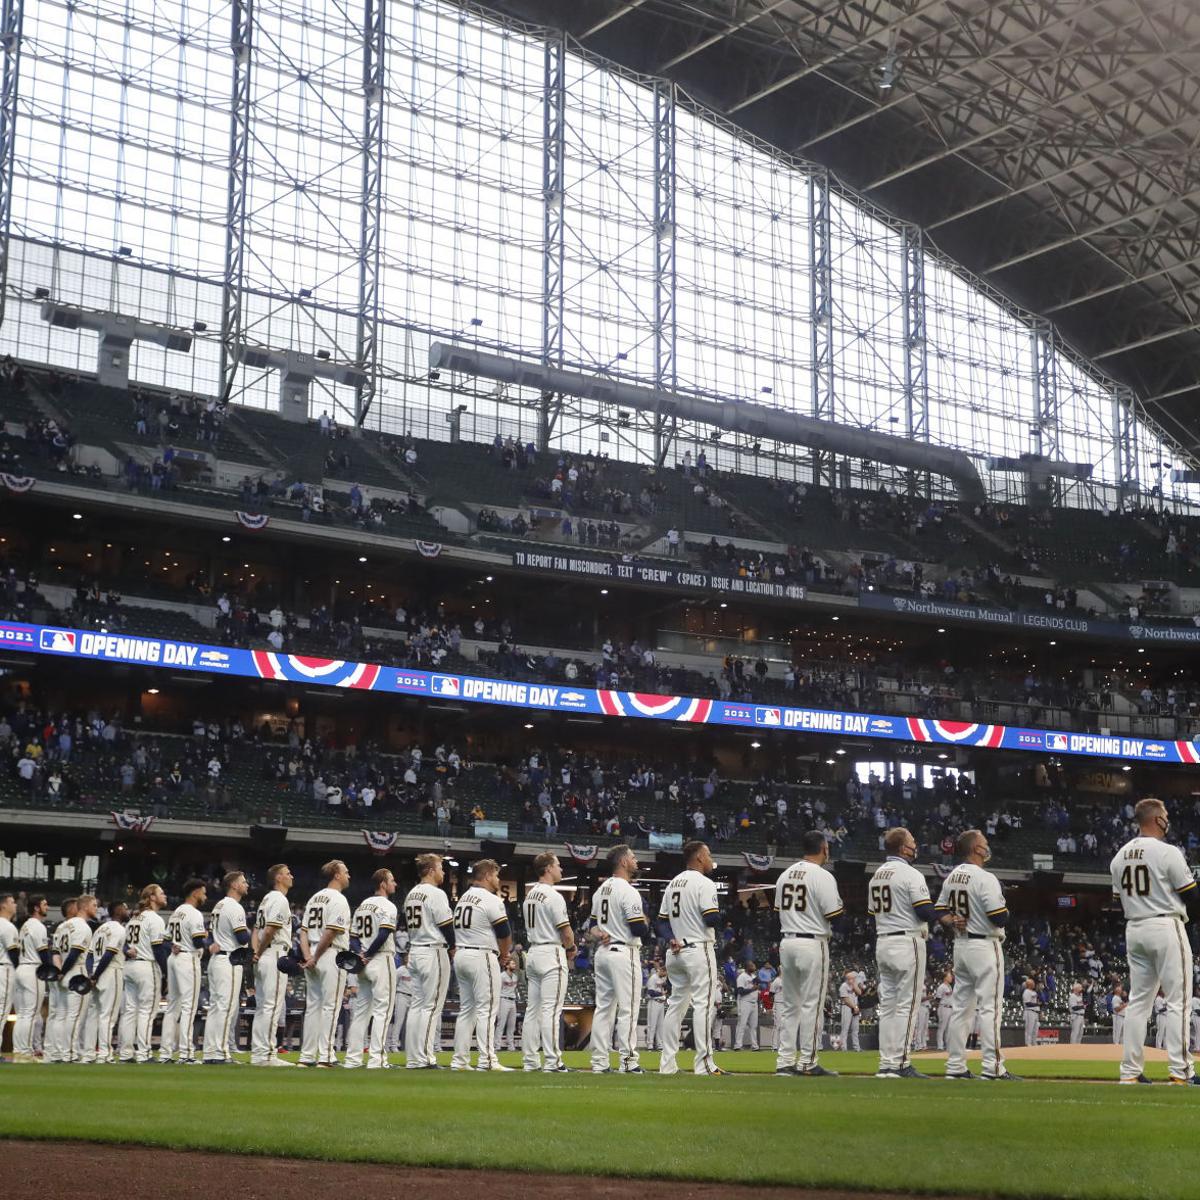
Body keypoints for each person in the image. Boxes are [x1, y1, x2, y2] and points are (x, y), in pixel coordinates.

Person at [1111, 797, 1198, 1085]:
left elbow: (1115, 901)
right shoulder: (1167, 851)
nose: (1167, 819)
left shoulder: (1119, 856)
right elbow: (1191, 896)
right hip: (1165, 924)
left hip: (1134, 928)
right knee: (1178, 1001)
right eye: (1165, 815)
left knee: (1138, 1002)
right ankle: (1180, 1070)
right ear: (1155, 818)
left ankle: (1130, 1072)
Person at [935, 829, 1020, 1081]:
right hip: (984, 945)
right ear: (975, 849)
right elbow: (999, 916)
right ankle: (993, 1068)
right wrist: (1004, 901)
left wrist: (953, 921)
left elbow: (939, 909)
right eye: (983, 844)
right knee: (989, 1009)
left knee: (961, 1008)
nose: (987, 847)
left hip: (961, 946)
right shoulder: (985, 877)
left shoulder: (952, 877)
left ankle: (955, 1067)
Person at [868, 826, 945, 1078]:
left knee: (888, 1006)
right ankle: (900, 1063)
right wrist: (941, 913)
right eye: (912, 841)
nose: (915, 845)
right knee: (906, 1006)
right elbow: (923, 911)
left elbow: (873, 913)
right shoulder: (910, 873)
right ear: (903, 848)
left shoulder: (877, 874)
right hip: (906, 940)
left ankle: (886, 1062)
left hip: (883, 941)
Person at [774, 830, 844, 1077]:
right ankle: (808, 1062)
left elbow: (778, 909)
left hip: (788, 941)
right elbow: (834, 914)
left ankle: (784, 1062)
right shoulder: (822, 875)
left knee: (790, 1005)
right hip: (812, 942)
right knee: (811, 1005)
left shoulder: (784, 875)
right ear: (823, 847)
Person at [658, 840, 727, 1077]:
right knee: (703, 1005)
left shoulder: (673, 883)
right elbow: (711, 919)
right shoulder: (704, 883)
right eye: (707, 854)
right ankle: (704, 1064)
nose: (710, 859)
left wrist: (671, 938)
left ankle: (667, 1065)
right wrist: (724, 916)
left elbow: (662, 921)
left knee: (676, 1006)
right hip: (698, 948)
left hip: (675, 951)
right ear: (698, 857)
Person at [588, 843, 651, 1074]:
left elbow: (593, 928)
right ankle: (628, 1061)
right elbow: (639, 930)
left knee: (603, 1009)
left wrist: (600, 933)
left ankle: (599, 1062)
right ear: (623, 862)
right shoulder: (628, 890)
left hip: (603, 953)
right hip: (624, 952)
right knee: (629, 1009)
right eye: (633, 857)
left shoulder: (601, 889)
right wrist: (646, 918)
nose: (636, 861)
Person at [449, 858, 513, 1072]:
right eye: (495, 875)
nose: (497, 879)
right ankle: (487, 1060)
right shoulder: (489, 898)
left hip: (461, 954)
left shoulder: (464, 897)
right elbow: (504, 933)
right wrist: (505, 955)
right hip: (481, 955)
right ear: (486, 876)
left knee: (467, 1010)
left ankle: (460, 1060)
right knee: (487, 1009)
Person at [521, 851, 576, 1073]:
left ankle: (530, 1061)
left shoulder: (529, 895)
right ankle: (553, 1062)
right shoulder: (553, 896)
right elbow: (566, 932)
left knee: (532, 1011)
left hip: (533, 952)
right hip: (551, 952)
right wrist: (571, 948)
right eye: (558, 865)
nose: (560, 869)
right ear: (548, 868)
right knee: (551, 1011)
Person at [403, 853, 455, 1069]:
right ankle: (425, 1057)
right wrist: (453, 946)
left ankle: (413, 1058)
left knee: (416, 1006)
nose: (443, 872)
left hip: (415, 950)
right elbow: (446, 925)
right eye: (441, 868)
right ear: (431, 870)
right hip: (433, 951)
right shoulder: (435, 893)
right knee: (431, 1007)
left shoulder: (412, 894)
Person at [298, 859, 352, 1068]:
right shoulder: (338, 899)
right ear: (336, 875)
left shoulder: (314, 899)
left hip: (312, 952)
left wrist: (308, 956)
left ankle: (307, 1056)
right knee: (330, 1006)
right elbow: (330, 932)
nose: (349, 876)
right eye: (345, 872)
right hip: (329, 954)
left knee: (313, 1007)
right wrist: (316, 956)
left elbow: (302, 931)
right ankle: (326, 1056)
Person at [344, 868, 399, 1070]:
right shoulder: (388, 906)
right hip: (380, 959)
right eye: (392, 880)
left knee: (360, 1012)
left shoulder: (362, 906)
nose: (395, 883)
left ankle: (353, 1059)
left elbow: (353, 937)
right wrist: (368, 954)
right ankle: (377, 1059)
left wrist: (361, 954)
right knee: (382, 1011)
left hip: (363, 963)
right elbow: (384, 934)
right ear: (383, 884)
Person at [203, 871, 250, 1064]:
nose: (246, 884)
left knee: (216, 1007)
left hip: (217, 960)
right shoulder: (234, 906)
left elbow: (211, 935)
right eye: (243, 882)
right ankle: (220, 1052)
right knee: (226, 1008)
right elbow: (242, 938)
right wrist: (250, 932)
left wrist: (211, 943)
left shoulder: (219, 905)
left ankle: (210, 1051)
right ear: (233, 885)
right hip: (229, 960)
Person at [250, 863, 295, 1067]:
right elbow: (269, 930)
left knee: (262, 1007)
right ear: (278, 878)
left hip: (264, 955)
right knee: (271, 1006)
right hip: (274, 953)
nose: (291, 876)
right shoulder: (279, 899)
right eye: (287, 873)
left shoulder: (266, 899)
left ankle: (259, 1053)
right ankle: (267, 1055)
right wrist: (259, 952)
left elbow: (256, 930)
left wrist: (255, 952)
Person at [118, 885, 169, 1064]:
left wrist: (126, 950)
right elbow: (158, 949)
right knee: (147, 1011)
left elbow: (123, 945)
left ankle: (125, 1053)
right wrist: (166, 972)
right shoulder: (154, 919)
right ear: (152, 897)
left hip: (130, 967)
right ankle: (144, 1053)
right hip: (146, 966)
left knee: (130, 1011)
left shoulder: (134, 918)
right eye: (161, 893)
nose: (165, 895)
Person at [159, 880, 208, 1064]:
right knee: (189, 1007)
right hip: (188, 958)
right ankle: (186, 1053)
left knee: (172, 1007)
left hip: (174, 958)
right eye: (203, 893)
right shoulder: (194, 913)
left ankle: (165, 1053)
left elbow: (164, 940)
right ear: (195, 893)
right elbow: (197, 942)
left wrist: (173, 945)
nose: (205, 896)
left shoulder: (176, 912)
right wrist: (206, 939)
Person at [47, 895, 94, 1063]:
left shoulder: (62, 926)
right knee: (74, 1016)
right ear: (84, 907)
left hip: (62, 972)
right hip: (76, 972)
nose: (96, 908)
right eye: (94, 905)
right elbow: (74, 953)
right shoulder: (83, 927)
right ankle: (70, 1053)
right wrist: (63, 972)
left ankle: (58, 1053)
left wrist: (59, 971)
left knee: (61, 1015)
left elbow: (54, 952)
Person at [80, 900, 128, 1064]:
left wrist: (91, 974)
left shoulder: (100, 929)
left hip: (96, 971)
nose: (127, 910)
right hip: (110, 972)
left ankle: (88, 1054)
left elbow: (90, 955)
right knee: (108, 1015)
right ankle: (104, 1054)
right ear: (118, 910)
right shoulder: (119, 929)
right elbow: (108, 954)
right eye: (125, 907)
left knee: (93, 1015)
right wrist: (95, 975)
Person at [14, 895, 52, 1061]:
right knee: (30, 1014)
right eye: (44, 904)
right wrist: (51, 971)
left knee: (23, 1014)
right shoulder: (38, 926)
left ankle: (19, 1049)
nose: (47, 906)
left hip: (21, 968)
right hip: (33, 969)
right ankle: (26, 1051)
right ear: (36, 907)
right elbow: (44, 953)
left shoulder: (25, 926)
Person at [388, 953, 414, 1054]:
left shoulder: (415, 970)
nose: (409, 959)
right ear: (405, 959)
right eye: (408, 957)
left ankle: (409, 1046)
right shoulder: (400, 970)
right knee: (399, 1021)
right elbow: (393, 984)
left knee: (411, 1023)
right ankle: (393, 1045)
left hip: (413, 997)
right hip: (401, 995)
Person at [734, 960, 759, 1050]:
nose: (754, 967)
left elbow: (758, 987)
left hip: (754, 1003)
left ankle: (755, 1046)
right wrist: (752, 989)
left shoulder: (754, 976)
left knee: (754, 1026)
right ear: (747, 967)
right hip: (744, 1002)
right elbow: (740, 992)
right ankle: (738, 1045)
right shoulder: (742, 977)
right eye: (752, 965)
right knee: (742, 1024)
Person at [495, 963, 519, 1051]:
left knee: (512, 1025)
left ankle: (511, 1046)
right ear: (507, 966)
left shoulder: (515, 976)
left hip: (513, 1001)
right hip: (503, 999)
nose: (514, 965)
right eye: (512, 964)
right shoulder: (501, 976)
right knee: (501, 1024)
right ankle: (497, 1045)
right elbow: (497, 989)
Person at [645, 962, 667, 1050]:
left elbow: (666, 989)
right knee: (652, 1024)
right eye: (664, 973)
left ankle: (659, 1044)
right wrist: (662, 993)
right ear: (661, 970)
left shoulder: (663, 977)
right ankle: (650, 1044)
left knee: (660, 1025)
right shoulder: (653, 978)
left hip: (661, 1003)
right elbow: (650, 992)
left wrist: (664, 994)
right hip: (653, 1002)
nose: (665, 975)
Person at [838, 970, 861, 1052]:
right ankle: (843, 1048)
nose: (853, 979)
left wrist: (854, 985)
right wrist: (854, 1007)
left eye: (854, 978)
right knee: (845, 1028)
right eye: (852, 978)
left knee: (855, 1029)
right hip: (847, 1007)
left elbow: (859, 992)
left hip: (855, 1008)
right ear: (847, 979)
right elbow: (846, 999)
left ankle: (857, 1047)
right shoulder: (843, 986)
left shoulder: (854, 985)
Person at [934, 971, 954, 1050]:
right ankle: (940, 1046)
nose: (951, 977)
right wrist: (938, 1010)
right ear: (945, 977)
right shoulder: (941, 987)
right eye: (949, 976)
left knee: (949, 1028)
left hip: (950, 1008)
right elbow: (937, 999)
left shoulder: (949, 986)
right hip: (943, 1007)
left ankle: (948, 1046)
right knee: (942, 1027)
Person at [1021, 977, 1040, 1047]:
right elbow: (1027, 1003)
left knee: (1035, 1029)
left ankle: (1034, 1042)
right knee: (1029, 1029)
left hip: (1035, 1012)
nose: (1034, 984)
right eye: (1033, 983)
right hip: (1029, 1012)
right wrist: (1036, 1004)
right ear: (1029, 984)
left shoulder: (1034, 992)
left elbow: (1037, 1001)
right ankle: (1028, 1043)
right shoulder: (1026, 992)